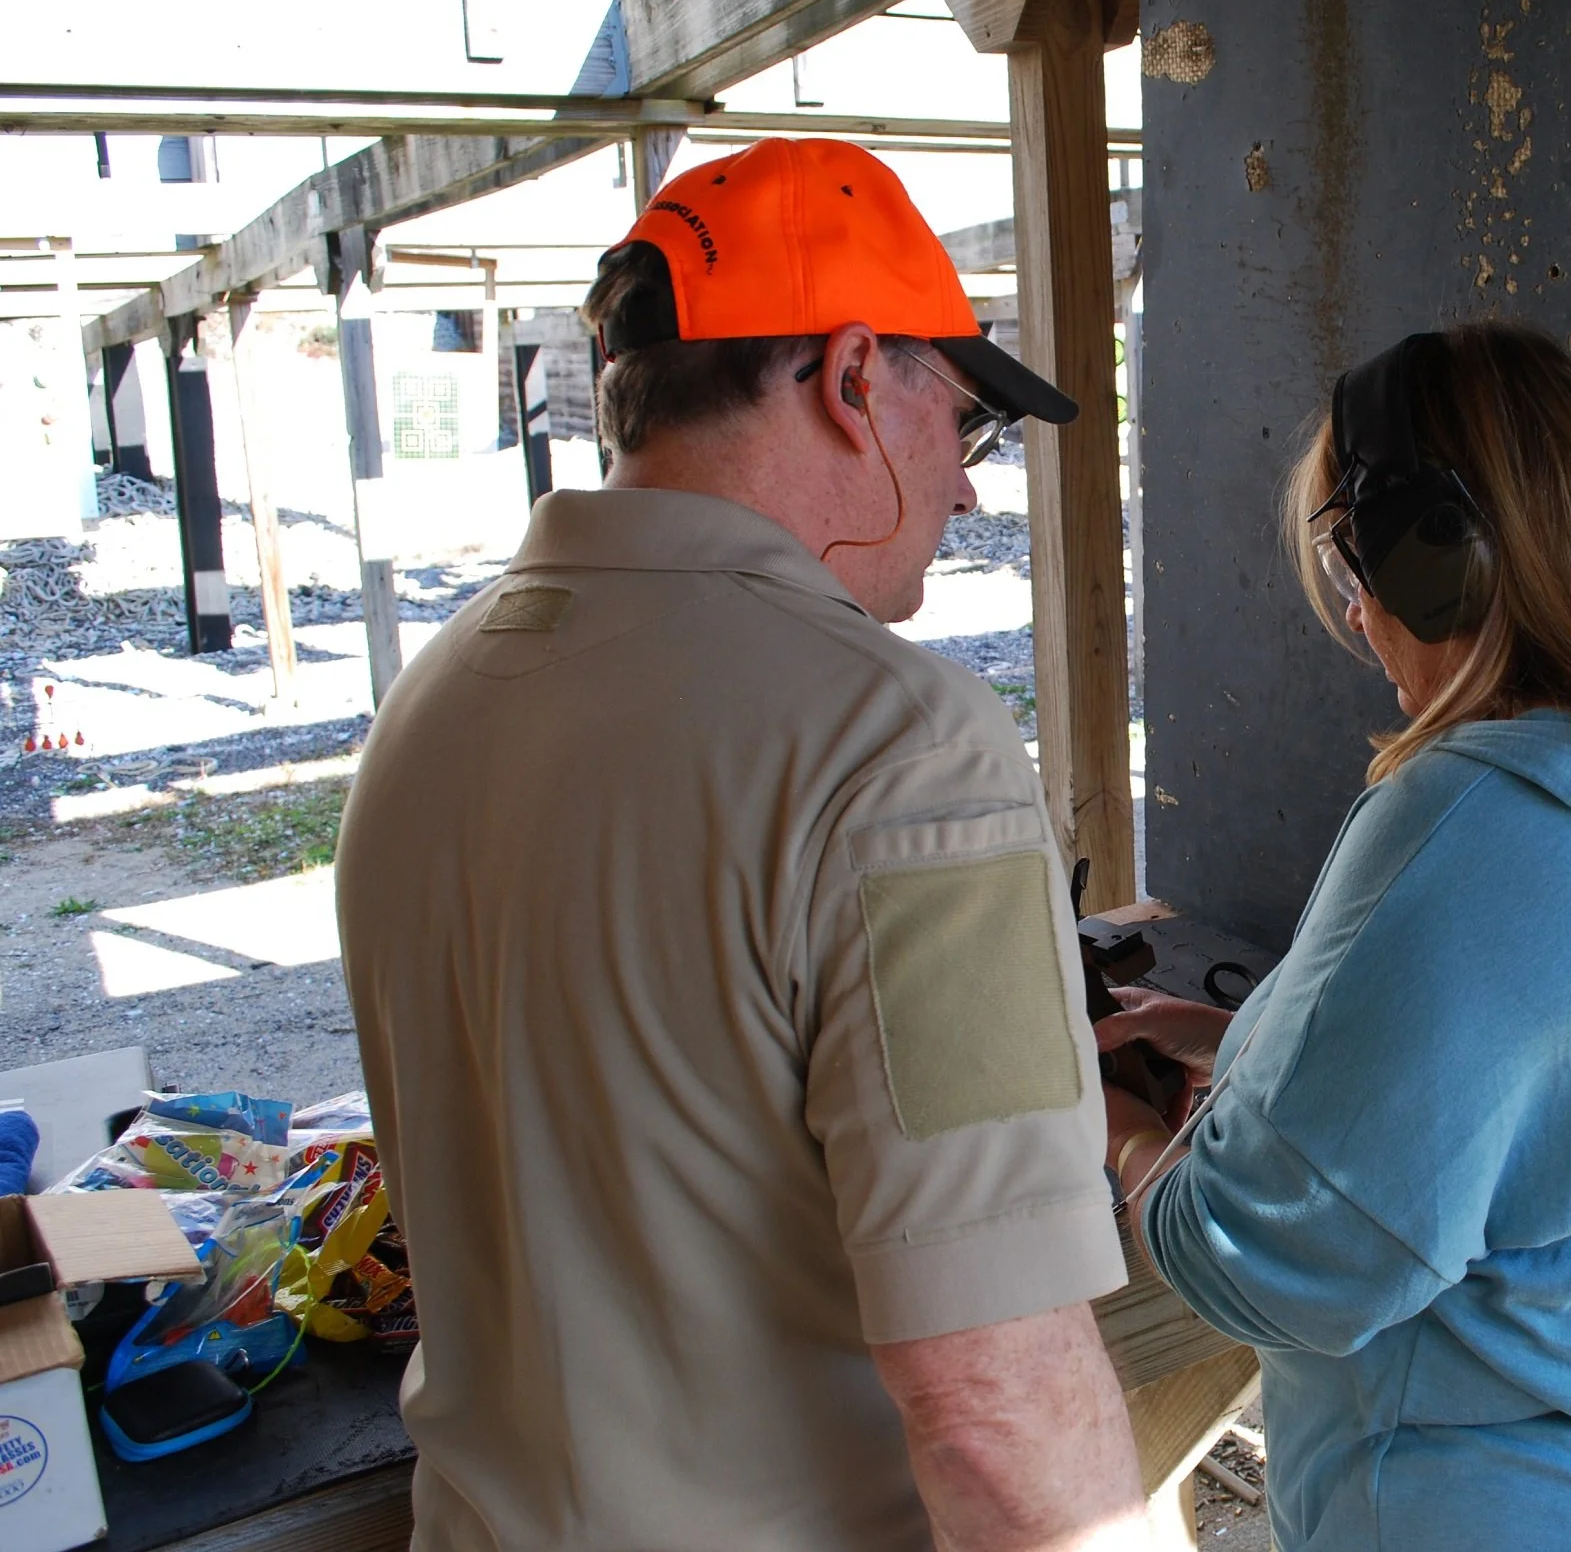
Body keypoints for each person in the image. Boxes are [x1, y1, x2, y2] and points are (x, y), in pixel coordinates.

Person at [337, 138, 1149, 1552]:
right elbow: (993, 1397)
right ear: (847, 379)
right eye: (958, 419)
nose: (963, 489)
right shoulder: (892, 742)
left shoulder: (439, 691)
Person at [1093, 323, 1571, 1550]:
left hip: (1477, 1505)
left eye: (1358, 569)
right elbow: (1564, 1080)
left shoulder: (1471, 816)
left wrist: (1127, 1136)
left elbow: (1272, 1266)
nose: (1355, 618)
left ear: (1432, 556)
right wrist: (1246, 1042)